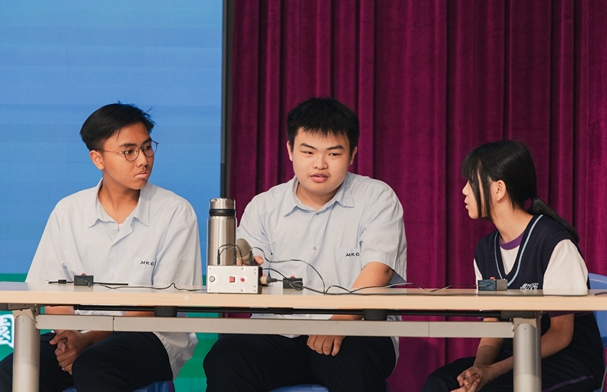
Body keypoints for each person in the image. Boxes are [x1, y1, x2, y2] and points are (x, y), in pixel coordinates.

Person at [203, 97, 407, 392]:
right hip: (278, 333)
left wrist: (340, 321)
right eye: (308, 152)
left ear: (352, 154)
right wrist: (247, 271)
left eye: (333, 153)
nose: (320, 164)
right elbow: (249, 268)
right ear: (290, 150)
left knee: (357, 363)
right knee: (226, 358)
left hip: (353, 330)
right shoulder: (264, 206)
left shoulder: (376, 197)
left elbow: (379, 270)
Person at [0, 103, 202, 392]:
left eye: (147, 147)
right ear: (98, 159)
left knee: (95, 365)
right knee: (12, 371)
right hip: (77, 332)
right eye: (129, 151)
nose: (143, 160)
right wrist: (69, 338)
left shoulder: (175, 212)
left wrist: (89, 339)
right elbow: (49, 293)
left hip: (151, 336)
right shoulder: (68, 211)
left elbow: (161, 305)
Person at [422, 140, 603, 392]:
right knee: (438, 383)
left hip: (567, 359)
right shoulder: (485, 250)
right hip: (512, 356)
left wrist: (493, 371)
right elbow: (493, 325)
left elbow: (561, 334)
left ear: (498, 189)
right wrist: (478, 371)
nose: (463, 191)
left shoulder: (553, 242)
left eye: (471, 182)